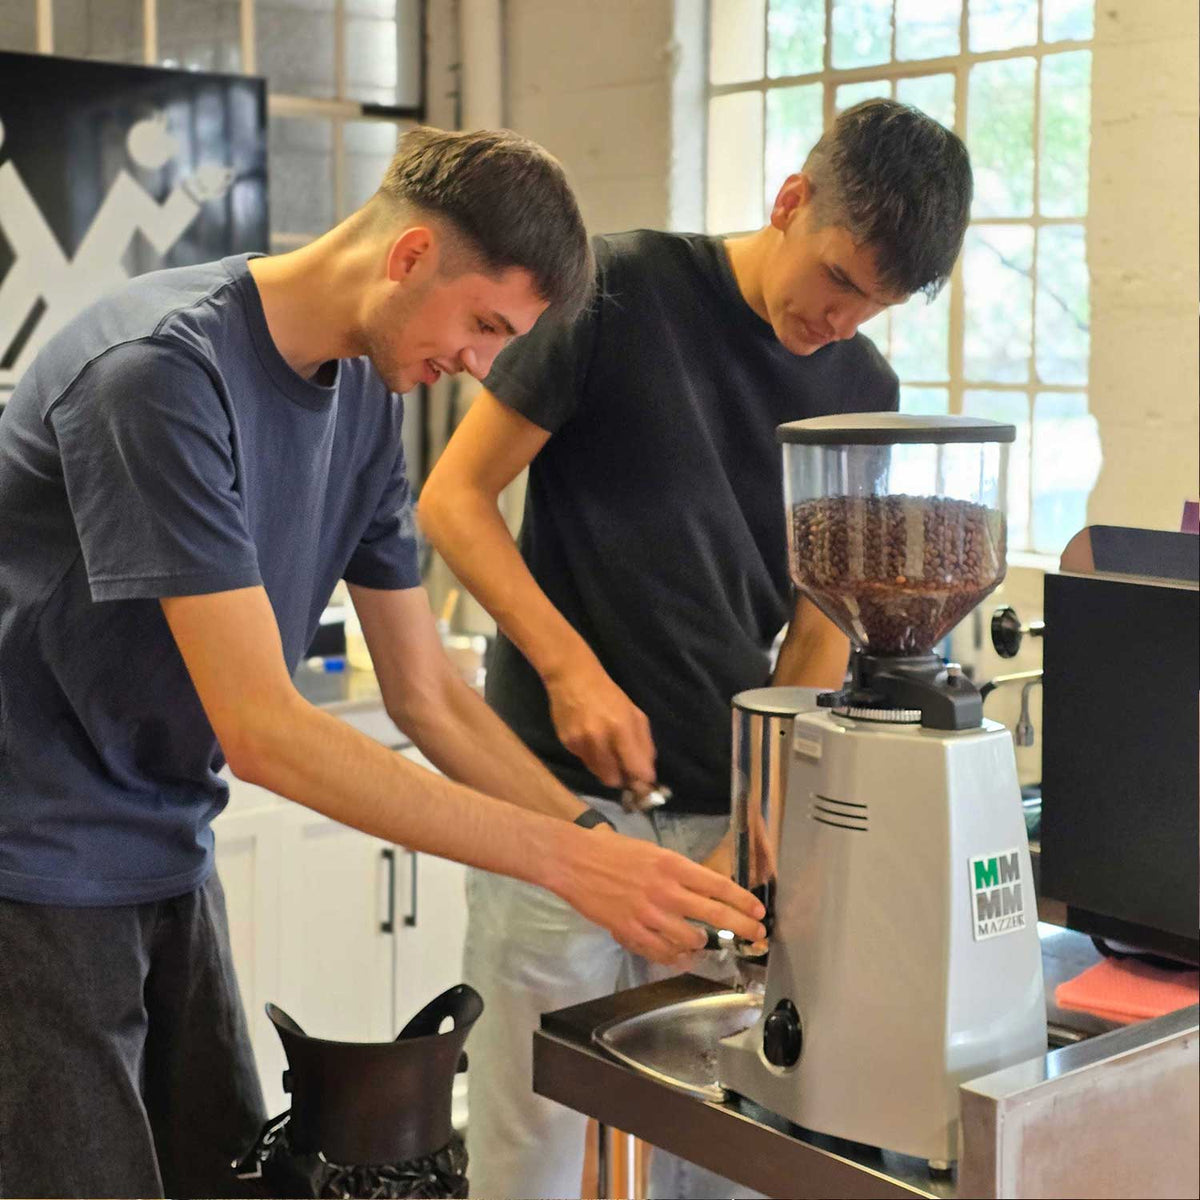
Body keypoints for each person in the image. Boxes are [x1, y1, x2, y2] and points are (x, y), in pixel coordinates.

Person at [0, 126, 766, 1200]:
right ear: (409, 257)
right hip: (31, 861)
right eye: (484, 323)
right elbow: (262, 729)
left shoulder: (363, 399)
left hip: (167, 842)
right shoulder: (157, 376)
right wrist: (563, 864)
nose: (482, 365)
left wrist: (594, 844)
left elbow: (430, 695)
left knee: (225, 1178)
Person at [419, 99, 974, 1200]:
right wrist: (571, 670)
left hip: (725, 833)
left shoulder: (864, 394)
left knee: (716, 1144)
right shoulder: (619, 292)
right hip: (555, 806)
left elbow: (821, 620)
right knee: (528, 1137)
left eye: (880, 306)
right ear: (790, 202)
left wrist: (767, 793)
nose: (845, 320)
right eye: (843, 281)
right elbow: (453, 501)